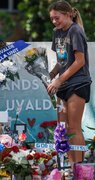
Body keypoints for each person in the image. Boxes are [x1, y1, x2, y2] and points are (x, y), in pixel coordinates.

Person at [47, 0, 92, 167]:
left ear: (68, 14)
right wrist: (51, 74)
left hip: (78, 83)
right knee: (63, 128)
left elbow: (79, 62)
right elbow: (62, 60)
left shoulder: (75, 31)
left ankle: (80, 168)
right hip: (64, 84)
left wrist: (59, 79)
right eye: (52, 19)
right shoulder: (57, 32)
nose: (54, 22)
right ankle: (69, 167)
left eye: (57, 18)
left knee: (74, 127)